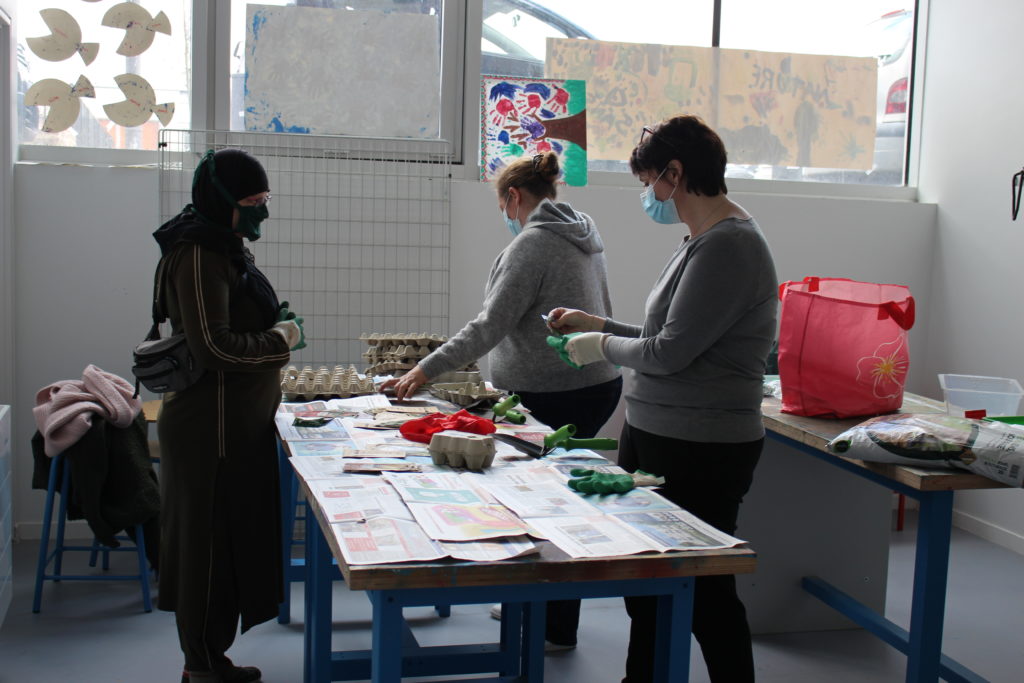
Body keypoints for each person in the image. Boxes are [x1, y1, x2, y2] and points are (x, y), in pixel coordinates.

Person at [547, 115, 778, 683]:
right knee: (647, 586)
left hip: (700, 446)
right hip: (660, 434)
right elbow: (668, 336)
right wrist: (595, 322)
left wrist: (596, 343)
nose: (647, 193)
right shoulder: (698, 241)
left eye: (649, 179)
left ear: (675, 173)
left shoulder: (730, 247)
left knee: (704, 593)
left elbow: (670, 352)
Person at [384, 152, 622, 650]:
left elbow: (488, 327)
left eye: (504, 206)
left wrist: (424, 370)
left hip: (555, 392)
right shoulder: (583, 231)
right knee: (566, 499)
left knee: (541, 505)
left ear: (515, 197)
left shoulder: (533, 245)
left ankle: (550, 624)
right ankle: (548, 614)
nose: (506, 217)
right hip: (598, 381)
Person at [153, 149, 305, 683]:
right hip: (207, 433)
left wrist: (273, 322)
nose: (261, 211)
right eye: (251, 201)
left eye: (265, 200)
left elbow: (234, 318)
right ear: (221, 201)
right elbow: (214, 346)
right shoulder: (197, 254)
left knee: (226, 544)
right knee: (205, 551)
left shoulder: (227, 247)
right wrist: (279, 339)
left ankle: (212, 659)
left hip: (235, 429)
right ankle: (201, 667)